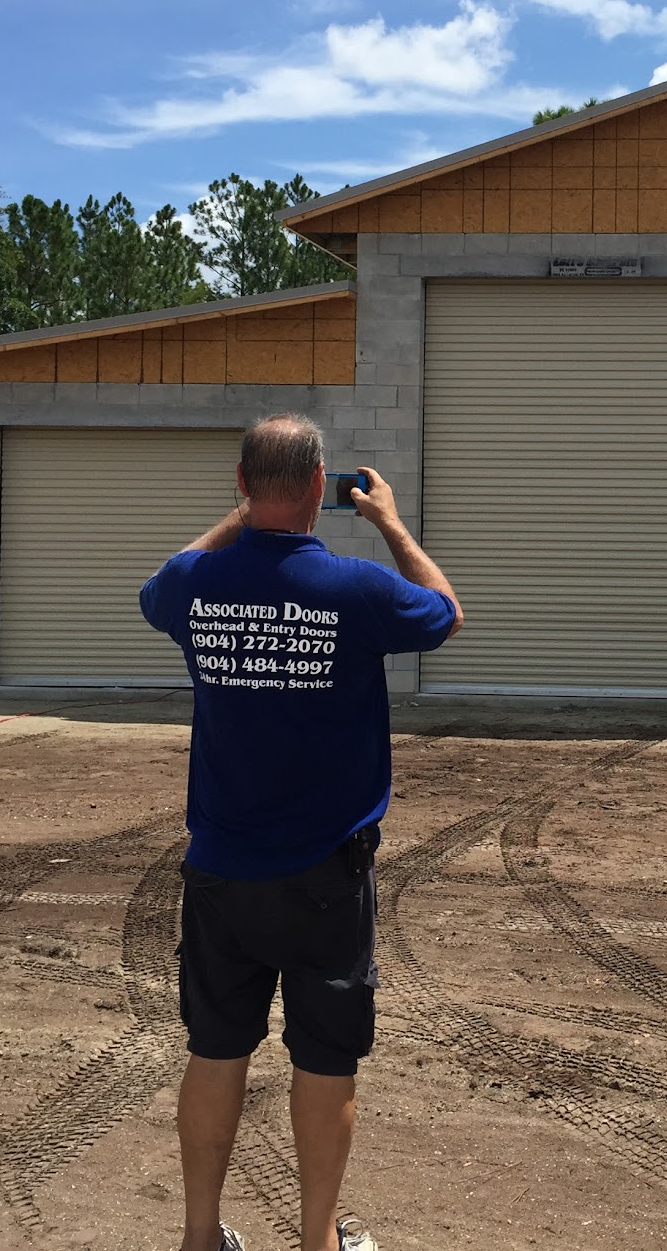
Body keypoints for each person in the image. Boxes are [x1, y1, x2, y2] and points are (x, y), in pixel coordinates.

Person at [140, 412, 463, 1251]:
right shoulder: (357, 589)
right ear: (323, 486)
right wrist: (389, 522)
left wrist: (240, 518)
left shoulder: (195, 585)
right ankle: (317, 1241)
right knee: (325, 1059)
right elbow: (445, 611)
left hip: (222, 871)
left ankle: (199, 1239)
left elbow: (161, 581)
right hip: (326, 875)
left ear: (242, 486)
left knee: (216, 1051)